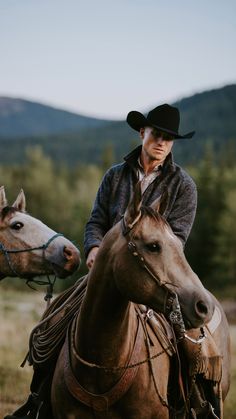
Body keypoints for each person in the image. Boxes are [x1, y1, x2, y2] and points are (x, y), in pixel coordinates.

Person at [85, 103, 196, 270]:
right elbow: (96, 222)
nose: (161, 142)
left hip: (153, 276)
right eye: (156, 134)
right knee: (73, 297)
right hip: (107, 268)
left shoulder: (184, 186)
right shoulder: (114, 176)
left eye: (168, 137)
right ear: (143, 133)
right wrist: (94, 248)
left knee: (198, 296)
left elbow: (176, 241)